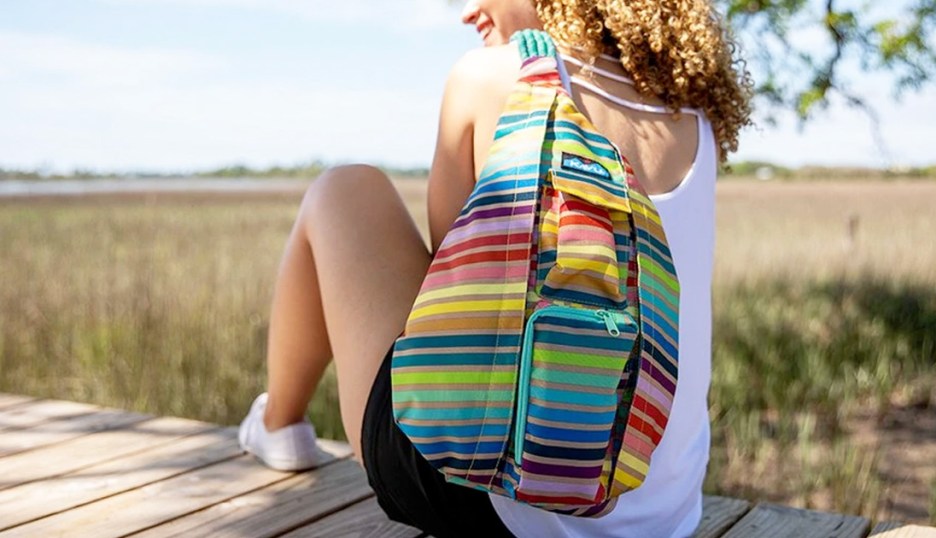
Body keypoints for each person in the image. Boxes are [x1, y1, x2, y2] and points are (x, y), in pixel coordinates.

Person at [237, 0, 752, 536]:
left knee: (343, 188)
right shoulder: (693, 118)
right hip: (665, 516)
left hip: (496, 499)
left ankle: (279, 426)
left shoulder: (491, 76)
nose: (467, 11)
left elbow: (445, 295)